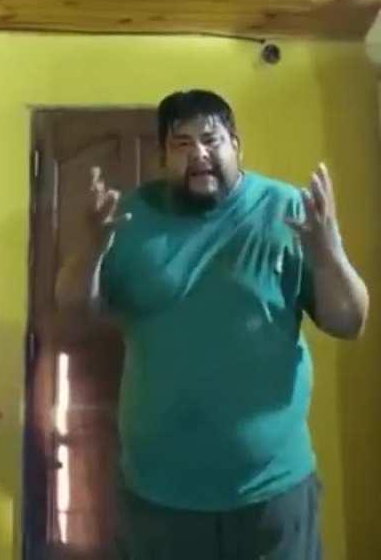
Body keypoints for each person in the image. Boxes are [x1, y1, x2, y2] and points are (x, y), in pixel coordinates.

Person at [56, 89, 369, 560]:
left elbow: (350, 322)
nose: (199, 153)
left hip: (273, 492)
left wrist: (328, 252)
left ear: (236, 145)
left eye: (211, 139)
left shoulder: (287, 210)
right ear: (163, 157)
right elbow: (73, 312)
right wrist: (92, 247)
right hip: (159, 496)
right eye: (182, 144)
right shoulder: (130, 218)